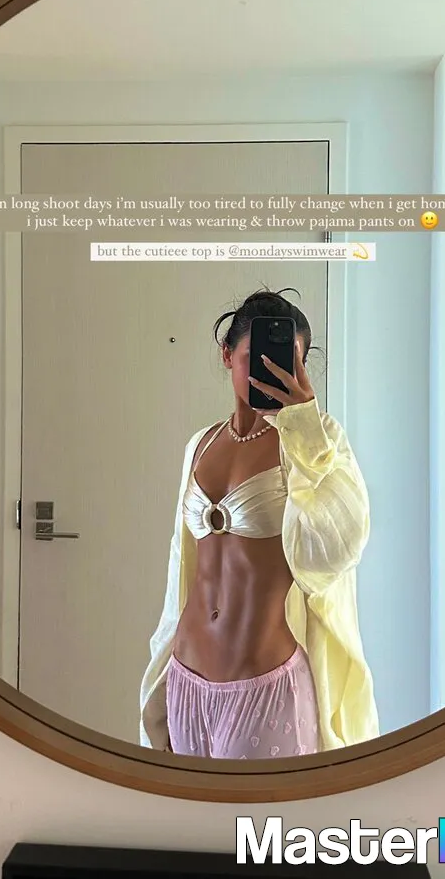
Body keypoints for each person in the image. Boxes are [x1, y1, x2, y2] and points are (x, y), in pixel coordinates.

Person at [139, 287, 378, 759]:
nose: (270, 371)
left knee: (263, 812)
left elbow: (342, 545)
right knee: (191, 810)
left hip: (265, 688)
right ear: (227, 355)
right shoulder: (200, 445)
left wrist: (304, 426)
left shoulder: (318, 442)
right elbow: (182, 566)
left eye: (289, 362)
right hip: (187, 682)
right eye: (254, 358)